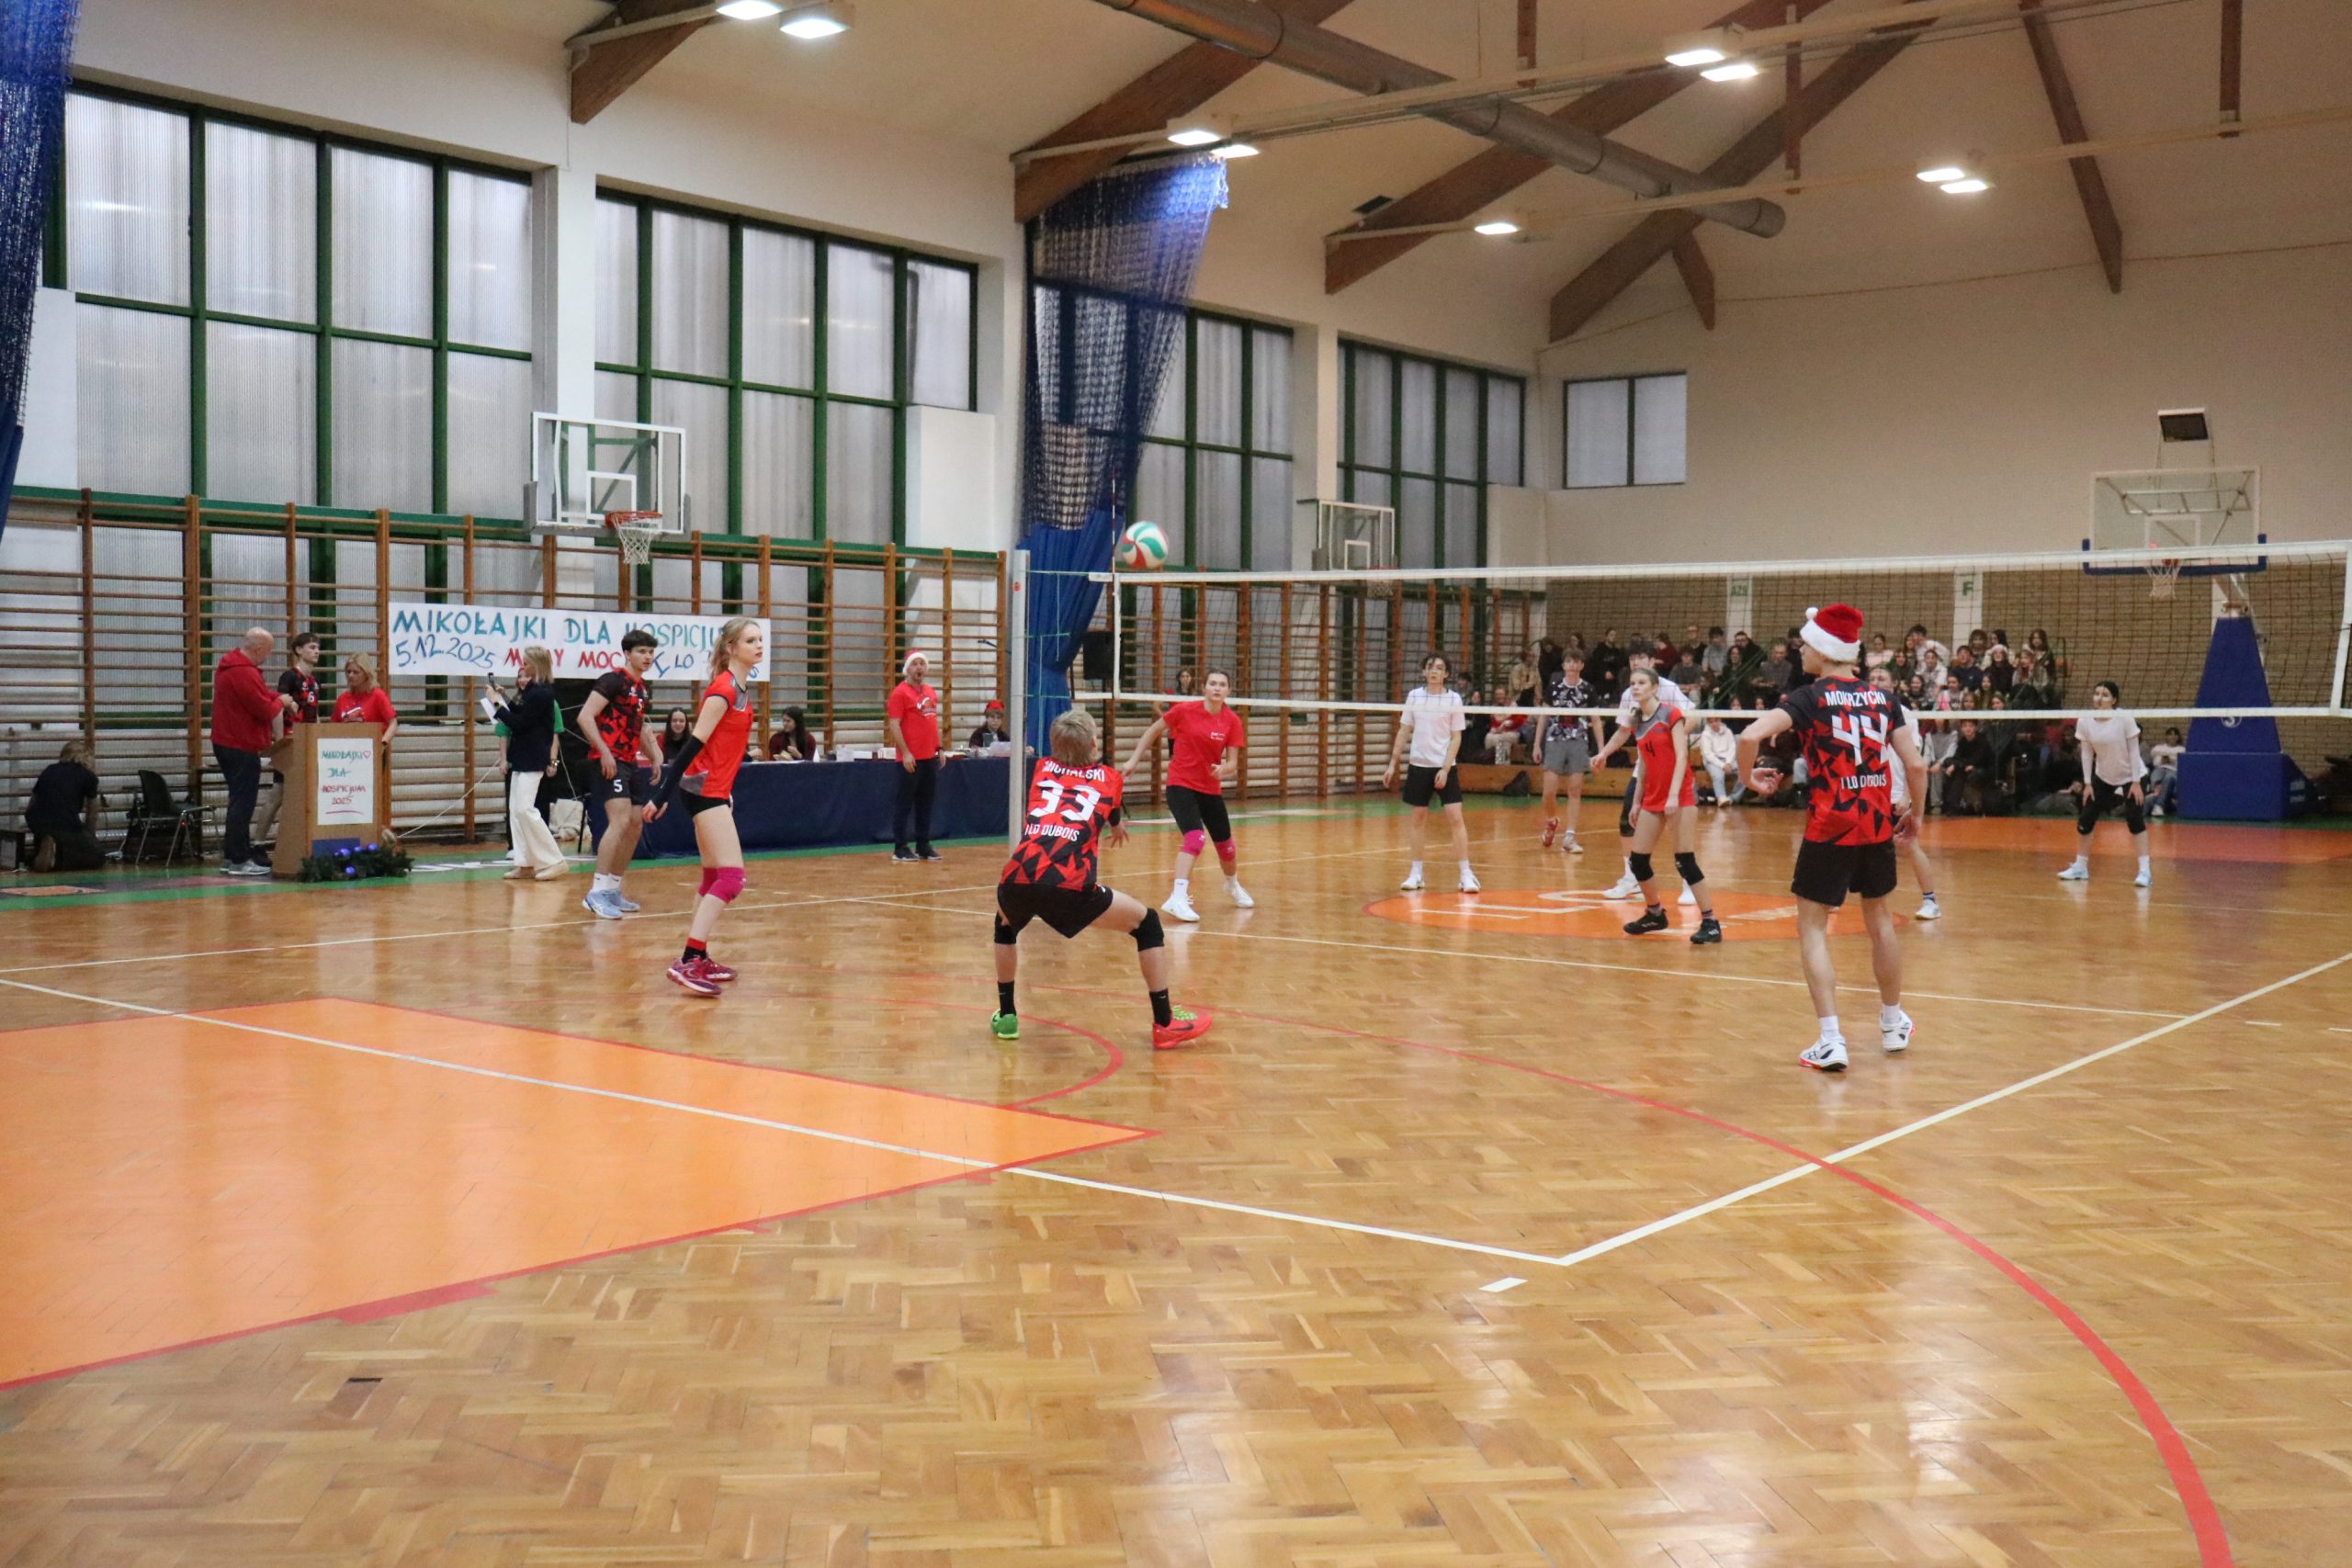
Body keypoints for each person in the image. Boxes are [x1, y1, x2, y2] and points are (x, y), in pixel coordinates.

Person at [1736, 604, 1928, 1072]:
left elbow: (1748, 737)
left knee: (1812, 929)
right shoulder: (1884, 698)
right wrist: (1916, 815)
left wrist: (1747, 778)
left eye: (1805, 644)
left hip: (1830, 826)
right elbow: (1916, 765)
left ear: (1823, 650)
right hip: (1875, 824)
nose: (1800, 650)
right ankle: (1892, 1022)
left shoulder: (1809, 697)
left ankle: (1830, 1039)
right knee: (1880, 921)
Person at [991, 706, 1210, 1051]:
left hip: (1016, 876)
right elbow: (1109, 804)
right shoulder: (1109, 777)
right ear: (1094, 744)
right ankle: (1165, 1022)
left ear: (1053, 746)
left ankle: (1007, 1015)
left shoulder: (1042, 768)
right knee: (1148, 925)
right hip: (1068, 884)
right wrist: (1116, 824)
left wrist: (1112, 821)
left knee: (1005, 925)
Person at [642, 616, 763, 997]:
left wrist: (726, 791)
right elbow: (691, 747)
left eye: (759, 640)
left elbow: (723, 751)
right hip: (703, 789)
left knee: (713, 877)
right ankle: (690, 959)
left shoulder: (741, 689)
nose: (759, 646)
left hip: (714, 789)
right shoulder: (723, 690)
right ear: (731, 648)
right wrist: (661, 795)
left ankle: (699, 955)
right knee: (732, 878)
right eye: (750, 640)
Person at [1121, 668, 1250, 922]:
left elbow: (1233, 762)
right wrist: (1133, 760)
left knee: (1226, 847)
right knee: (1195, 838)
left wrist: (1224, 769)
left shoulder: (1231, 721)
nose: (1216, 688)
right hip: (1181, 785)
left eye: (1222, 684)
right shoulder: (1184, 711)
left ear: (1228, 690)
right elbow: (1153, 730)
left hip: (1210, 789)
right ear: (1204, 687)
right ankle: (1177, 897)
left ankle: (1232, 885)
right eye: (1212, 683)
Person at [1617, 668, 1722, 944]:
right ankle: (1655, 914)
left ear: (1654, 688)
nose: (1636, 687)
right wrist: (1637, 802)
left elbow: (1681, 755)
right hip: (1653, 797)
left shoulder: (1670, 715)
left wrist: (1674, 795)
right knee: (1638, 860)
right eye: (1633, 683)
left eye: (1642, 683)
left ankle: (1710, 922)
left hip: (1680, 794)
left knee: (1684, 859)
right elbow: (1644, 764)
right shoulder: (1637, 721)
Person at [1591, 649, 1695, 905]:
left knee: (1678, 830)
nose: (1636, 662)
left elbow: (1692, 717)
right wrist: (1603, 753)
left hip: (1671, 768)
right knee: (1627, 819)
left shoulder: (1668, 689)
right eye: (1632, 658)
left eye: (1641, 658)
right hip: (1646, 767)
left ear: (1651, 662)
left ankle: (1689, 883)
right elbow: (1623, 731)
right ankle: (1632, 879)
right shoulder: (1630, 694)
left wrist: (1671, 737)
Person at [578, 628, 663, 919]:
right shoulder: (612, 680)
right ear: (627, 654)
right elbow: (585, 717)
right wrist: (604, 751)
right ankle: (596, 892)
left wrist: (653, 757)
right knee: (620, 820)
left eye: (650, 652)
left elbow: (635, 728)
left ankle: (612, 888)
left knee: (636, 824)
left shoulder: (642, 688)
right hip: (608, 760)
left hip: (629, 762)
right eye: (641, 651)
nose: (647, 657)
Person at [1381, 652, 1478, 894]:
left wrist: (1445, 768)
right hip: (1419, 766)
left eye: (1440, 668)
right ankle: (1416, 873)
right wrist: (1392, 763)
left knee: (1455, 817)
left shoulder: (1453, 699)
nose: (1434, 671)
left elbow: (1456, 737)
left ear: (1446, 674)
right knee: (1418, 819)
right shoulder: (1414, 696)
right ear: (1424, 672)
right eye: (1430, 667)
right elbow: (1404, 731)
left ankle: (1466, 874)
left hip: (1445, 767)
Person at [210, 627, 297, 875]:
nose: (267, 657)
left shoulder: (231, 667)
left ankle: (231, 857)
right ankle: (239, 859)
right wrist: (281, 702)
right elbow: (264, 709)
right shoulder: (244, 672)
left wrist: (277, 696)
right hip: (240, 744)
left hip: (226, 742)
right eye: (267, 651)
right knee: (243, 803)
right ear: (258, 648)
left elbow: (258, 694)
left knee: (237, 800)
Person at [2059, 680, 2152, 886]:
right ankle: (2080, 867)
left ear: (2114, 700)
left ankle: (2145, 871)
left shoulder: (2124, 718)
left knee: (2134, 819)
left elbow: (2134, 751)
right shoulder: (2085, 721)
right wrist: (2087, 783)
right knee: (2086, 817)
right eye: (2097, 694)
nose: (2099, 698)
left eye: (2105, 695)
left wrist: (2136, 782)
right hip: (2104, 776)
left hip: (2132, 775)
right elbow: (2086, 753)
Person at [486, 647, 566, 882]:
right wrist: (504, 699)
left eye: (527, 664)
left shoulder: (543, 693)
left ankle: (554, 860)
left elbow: (521, 723)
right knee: (516, 811)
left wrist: (496, 704)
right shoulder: (531, 692)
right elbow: (520, 713)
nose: (524, 669)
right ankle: (525, 862)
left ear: (537, 665)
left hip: (534, 757)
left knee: (525, 809)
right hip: (521, 756)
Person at [1868, 665, 1940, 919]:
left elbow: (1915, 762)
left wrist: (1907, 797)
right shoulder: (1859, 712)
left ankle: (1931, 901)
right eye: (1872, 678)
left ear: (1893, 684)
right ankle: (1836, 898)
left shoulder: (1905, 715)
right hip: (1868, 792)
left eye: (1882, 678)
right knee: (1852, 845)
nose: (1876, 681)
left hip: (1895, 793)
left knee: (1910, 846)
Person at [253, 628, 322, 847]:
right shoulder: (290, 677)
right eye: (312, 647)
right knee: (278, 794)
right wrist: (281, 742)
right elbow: (278, 707)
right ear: (299, 650)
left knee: (304, 795)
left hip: (308, 744)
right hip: (291, 742)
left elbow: (314, 713)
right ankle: (257, 842)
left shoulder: (314, 681)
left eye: (318, 648)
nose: (317, 651)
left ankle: (295, 842)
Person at [887, 650, 943, 863]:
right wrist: (906, 752)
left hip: (929, 757)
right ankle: (900, 847)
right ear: (907, 668)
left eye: (922, 664)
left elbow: (933, 722)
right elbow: (894, 725)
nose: (919, 667)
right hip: (910, 759)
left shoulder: (930, 692)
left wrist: (939, 748)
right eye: (914, 664)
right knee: (904, 804)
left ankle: (923, 845)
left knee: (925, 803)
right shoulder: (900, 693)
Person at [1536, 652, 1595, 853]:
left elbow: (1596, 720)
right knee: (1548, 792)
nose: (1572, 665)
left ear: (1582, 665)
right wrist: (1537, 745)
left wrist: (1602, 751)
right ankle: (1552, 821)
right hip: (1555, 741)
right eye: (1568, 661)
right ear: (1563, 665)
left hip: (1578, 741)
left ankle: (1569, 837)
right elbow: (1543, 717)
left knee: (1575, 790)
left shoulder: (1588, 689)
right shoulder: (1553, 688)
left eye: (1575, 662)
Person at [26, 738, 105, 873]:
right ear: (86, 758)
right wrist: (90, 839)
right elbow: (92, 815)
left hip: (36, 821)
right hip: (65, 822)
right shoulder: (88, 776)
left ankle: (43, 852)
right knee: (97, 857)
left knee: (51, 836)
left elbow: (33, 801)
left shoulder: (49, 770)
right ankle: (56, 861)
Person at [331, 654, 398, 740]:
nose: (351, 675)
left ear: (366, 674)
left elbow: (393, 723)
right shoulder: (342, 698)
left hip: (372, 745)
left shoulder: (378, 695)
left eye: (356, 672)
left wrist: (383, 743)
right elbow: (333, 727)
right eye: (348, 672)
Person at [1698, 715, 1741, 807]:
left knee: (1744, 773)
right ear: (1708, 723)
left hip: (1728, 760)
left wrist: (1728, 763)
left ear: (1720, 721)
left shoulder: (1728, 732)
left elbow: (1732, 748)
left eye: (1716, 721)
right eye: (1711, 722)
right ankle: (1721, 798)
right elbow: (1708, 754)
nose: (1714, 724)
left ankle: (1733, 798)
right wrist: (1722, 765)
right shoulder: (1705, 734)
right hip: (1713, 761)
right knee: (1718, 775)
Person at [2148, 726, 2185, 817]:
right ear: (2166, 736)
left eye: (2175, 734)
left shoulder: (2182, 749)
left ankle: (2159, 805)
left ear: (2178, 737)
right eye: (2170, 734)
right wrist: (2163, 759)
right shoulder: (2158, 748)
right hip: (2160, 768)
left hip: (2173, 770)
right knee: (2157, 776)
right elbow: (2155, 762)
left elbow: (2182, 764)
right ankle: (2157, 797)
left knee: (2169, 778)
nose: (2172, 737)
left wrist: (2171, 760)